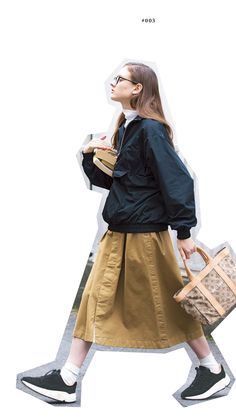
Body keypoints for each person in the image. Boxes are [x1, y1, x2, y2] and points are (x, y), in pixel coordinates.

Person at [21, 62, 230, 403]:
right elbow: (116, 184)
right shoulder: (129, 127)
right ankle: (69, 376)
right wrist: (90, 155)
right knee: (97, 298)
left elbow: (178, 180)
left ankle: (211, 369)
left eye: (120, 78)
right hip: (122, 231)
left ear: (137, 89)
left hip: (143, 236)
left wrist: (185, 232)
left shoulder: (150, 129)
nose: (112, 82)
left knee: (159, 301)